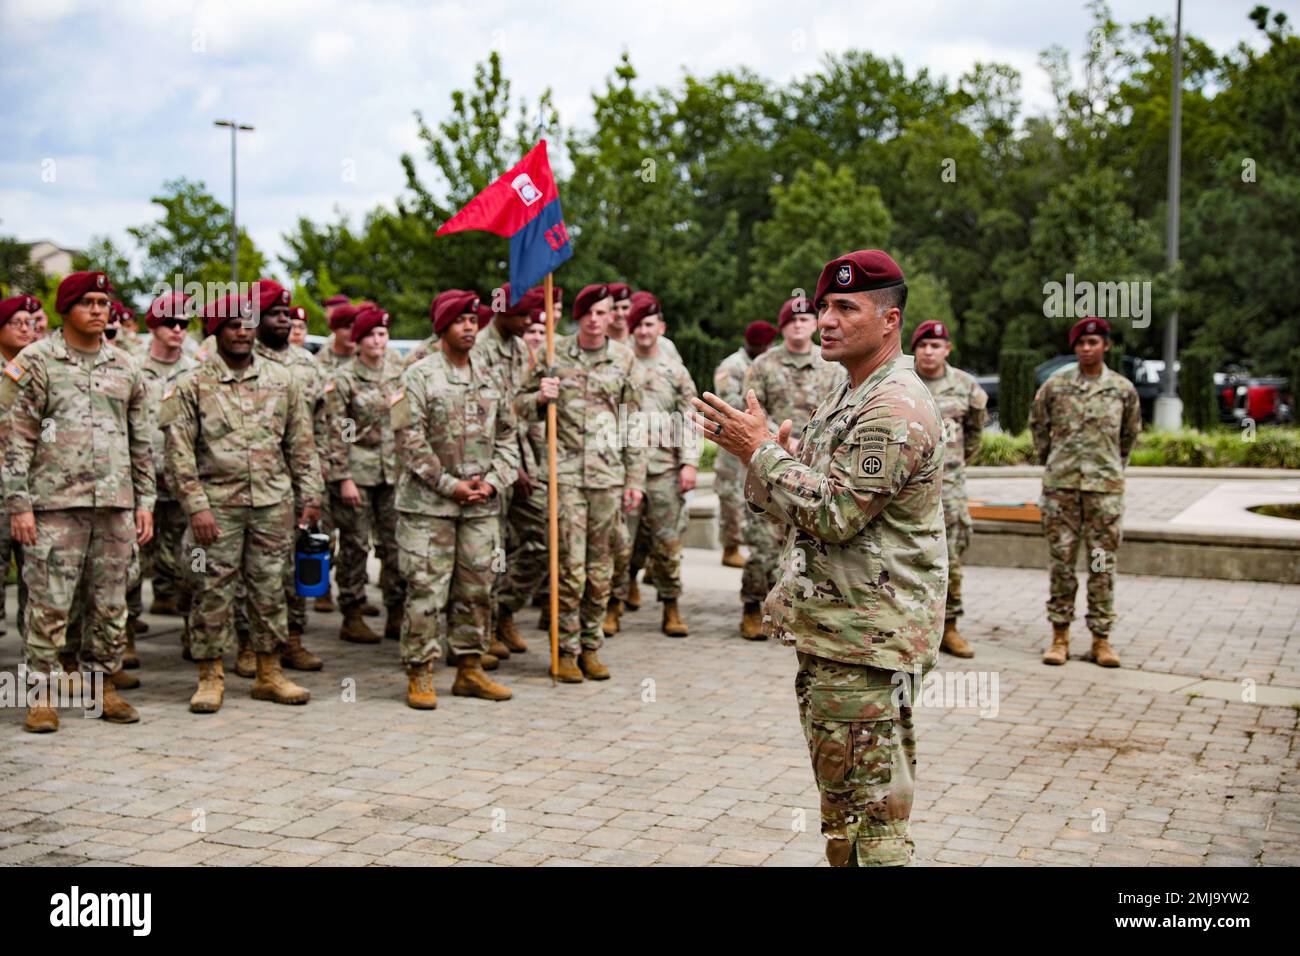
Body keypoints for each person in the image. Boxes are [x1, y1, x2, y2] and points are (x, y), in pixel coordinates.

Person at [690, 249, 946, 867]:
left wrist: (760, 453)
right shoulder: (850, 392)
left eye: (845, 307)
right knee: (846, 811)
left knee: (872, 821)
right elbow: (798, 501)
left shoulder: (892, 409)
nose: (826, 319)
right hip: (839, 631)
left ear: (889, 320)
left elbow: (835, 514)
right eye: (824, 306)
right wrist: (770, 455)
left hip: (868, 636)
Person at [3, 271, 156, 733]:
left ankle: (102, 687)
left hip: (115, 504)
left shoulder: (125, 367)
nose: (98, 310)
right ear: (66, 309)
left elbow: (142, 440)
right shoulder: (36, 361)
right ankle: (40, 695)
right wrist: (20, 505)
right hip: (54, 506)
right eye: (87, 301)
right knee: (50, 605)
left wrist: (144, 500)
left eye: (103, 302)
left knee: (111, 604)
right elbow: (15, 439)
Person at [163, 289, 322, 713]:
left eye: (249, 324)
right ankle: (210, 675)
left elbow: (300, 444)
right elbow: (179, 453)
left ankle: (269, 672)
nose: (244, 332)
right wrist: (196, 505)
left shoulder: (281, 379)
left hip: (272, 503)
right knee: (211, 589)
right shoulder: (191, 384)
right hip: (217, 506)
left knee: (271, 587)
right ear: (215, 331)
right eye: (233, 325)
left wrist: (311, 495)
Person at [392, 289, 518, 708]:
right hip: (429, 507)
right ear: (442, 326)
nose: (469, 326)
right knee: (427, 590)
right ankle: (420, 671)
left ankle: (469, 668)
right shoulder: (417, 375)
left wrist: (494, 481)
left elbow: (508, 437)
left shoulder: (491, 376)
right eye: (460, 320)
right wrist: (450, 485)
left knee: (477, 588)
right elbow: (409, 440)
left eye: (473, 319)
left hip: (481, 504)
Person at [521, 284, 645, 682]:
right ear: (578, 316)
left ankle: (592, 646)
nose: (594, 319)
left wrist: (634, 479)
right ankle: (566, 649)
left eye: (602, 312)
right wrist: (540, 397)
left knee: (600, 570)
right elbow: (516, 407)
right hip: (566, 476)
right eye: (588, 312)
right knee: (569, 567)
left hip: (607, 477)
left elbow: (634, 424)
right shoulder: (552, 355)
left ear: (612, 317)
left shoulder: (624, 360)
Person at [1029, 317, 1141, 668]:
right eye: (1081, 343)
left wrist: (1110, 466)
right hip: (1062, 488)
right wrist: (1052, 461)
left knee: (1101, 563)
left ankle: (1101, 639)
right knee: (1062, 564)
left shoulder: (1122, 389)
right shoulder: (1056, 385)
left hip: (1103, 491)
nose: (1087, 348)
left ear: (1105, 345)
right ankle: (1059, 636)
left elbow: (1130, 434)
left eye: (1093, 342)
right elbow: (1038, 425)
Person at [737, 295, 845, 638]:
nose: (799, 325)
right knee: (763, 541)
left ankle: (799, 611)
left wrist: (812, 445)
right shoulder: (764, 366)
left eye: (804, 320)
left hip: (816, 467)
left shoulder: (832, 366)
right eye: (791, 321)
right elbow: (751, 413)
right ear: (783, 327)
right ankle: (752, 606)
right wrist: (775, 442)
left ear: (814, 324)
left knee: (808, 543)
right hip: (771, 461)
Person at [251, 279, 328, 671]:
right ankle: (252, 643)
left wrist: (318, 481)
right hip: (254, 481)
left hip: (299, 479)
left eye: (286, 314)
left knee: (298, 560)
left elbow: (323, 426)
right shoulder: (242, 357)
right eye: (275, 314)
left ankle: (292, 638)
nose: (283, 321)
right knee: (256, 568)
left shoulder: (308, 364)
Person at [319, 305, 406, 644]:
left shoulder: (399, 372)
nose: (377, 341)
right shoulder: (344, 379)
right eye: (370, 334)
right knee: (355, 544)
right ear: (358, 339)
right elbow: (338, 431)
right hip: (358, 472)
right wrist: (343, 477)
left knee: (396, 543)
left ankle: (396, 610)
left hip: (393, 473)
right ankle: (352, 613)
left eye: (382, 334)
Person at [622, 293, 699, 637]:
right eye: (637, 324)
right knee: (621, 543)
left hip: (665, 469)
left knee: (667, 543)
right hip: (624, 472)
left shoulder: (675, 372)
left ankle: (670, 606)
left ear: (661, 328)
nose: (643, 330)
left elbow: (690, 418)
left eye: (649, 324)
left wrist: (689, 464)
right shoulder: (619, 365)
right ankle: (613, 603)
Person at [474, 285, 543, 659]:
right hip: (487, 464)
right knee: (488, 552)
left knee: (542, 540)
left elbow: (521, 406)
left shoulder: (520, 349)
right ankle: (478, 634)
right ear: (502, 313)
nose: (529, 322)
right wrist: (509, 465)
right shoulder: (479, 350)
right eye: (522, 315)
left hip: (520, 459)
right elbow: (490, 413)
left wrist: (542, 399)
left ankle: (504, 610)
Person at [912, 320, 987, 658]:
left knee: (951, 557)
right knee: (906, 556)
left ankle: (950, 626)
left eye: (935, 345)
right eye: (923, 345)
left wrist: (953, 464)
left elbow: (974, 434)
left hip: (950, 487)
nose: (929, 351)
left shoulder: (966, 387)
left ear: (947, 349)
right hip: (909, 487)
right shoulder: (902, 382)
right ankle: (910, 627)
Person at [136, 293, 199, 629]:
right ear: (153, 326)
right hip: (139, 479)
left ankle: (193, 630)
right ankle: (126, 634)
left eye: (184, 323)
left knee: (189, 558)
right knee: (131, 560)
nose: (178, 329)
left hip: (181, 480)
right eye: (170, 322)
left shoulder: (195, 373)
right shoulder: (131, 367)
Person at [713, 320, 778, 568]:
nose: (769, 349)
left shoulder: (767, 364)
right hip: (733, 442)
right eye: (765, 345)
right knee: (730, 495)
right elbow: (730, 404)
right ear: (755, 345)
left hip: (759, 438)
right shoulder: (732, 366)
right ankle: (730, 547)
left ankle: (753, 546)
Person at [0, 295, 37, 638]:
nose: (27, 329)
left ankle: (35, 664)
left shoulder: (37, 370)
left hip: (33, 492)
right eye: (18, 323)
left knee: (36, 580)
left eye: (31, 323)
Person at [315, 302, 358, 372]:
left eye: (356, 327)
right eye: (347, 327)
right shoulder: (318, 361)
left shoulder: (367, 357)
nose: (352, 332)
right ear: (334, 329)